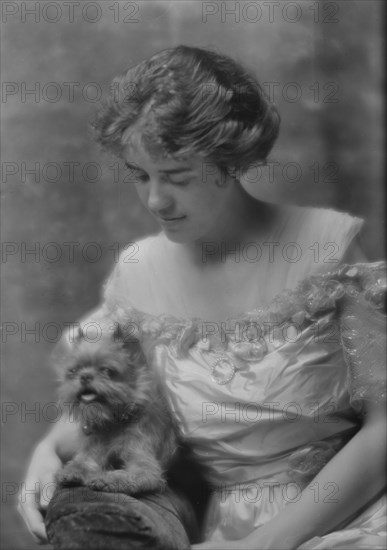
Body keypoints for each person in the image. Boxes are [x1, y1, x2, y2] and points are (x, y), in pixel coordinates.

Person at [18, 45, 386, 549]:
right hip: (222, 528)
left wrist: (267, 544)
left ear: (230, 161)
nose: (155, 200)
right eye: (140, 176)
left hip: (347, 515)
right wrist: (46, 451)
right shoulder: (138, 274)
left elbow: (385, 428)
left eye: (177, 176)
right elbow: (113, 391)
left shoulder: (326, 244)